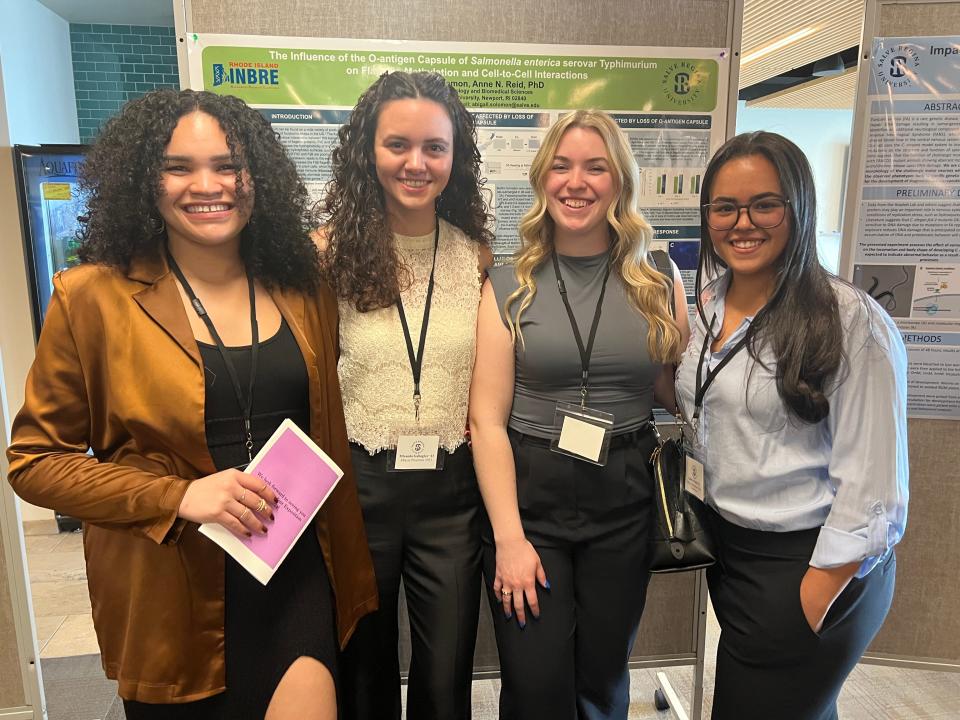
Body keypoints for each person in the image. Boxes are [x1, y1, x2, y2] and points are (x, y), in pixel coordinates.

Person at [5, 88, 377, 720]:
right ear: (145, 180)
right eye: (179, 166)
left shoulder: (300, 283)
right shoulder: (90, 298)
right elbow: (33, 462)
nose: (209, 184)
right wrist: (178, 497)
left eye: (228, 164)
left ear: (256, 176)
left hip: (292, 566)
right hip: (169, 587)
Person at [675, 131, 908, 720]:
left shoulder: (851, 321)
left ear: (798, 207)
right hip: (733, 552)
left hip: (809, 562)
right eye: (725, 207)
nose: (742, 222)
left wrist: (813, 597)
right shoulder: (706, 305)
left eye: (765, 204)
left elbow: (874, 492)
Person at [469, 109, 689, 720]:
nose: (577, 181)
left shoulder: (659, 280)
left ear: (620, 181)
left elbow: (679, 393)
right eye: (562, 166)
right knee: (535, 682)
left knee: (602, 676)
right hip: (530, 497)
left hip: (623, 493)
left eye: (596, 167)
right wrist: (509, 539)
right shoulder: (508, 282)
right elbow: (486, 421)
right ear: (542, 180)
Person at [318, 71, 493, 720]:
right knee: (361, 673)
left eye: (435, 147)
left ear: (455, 157)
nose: (416, 163)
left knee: (447, 678)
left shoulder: (474, 257)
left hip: (450, 496)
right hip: (359, 490)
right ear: (369, 151)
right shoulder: (328, 254)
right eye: (398, 144)